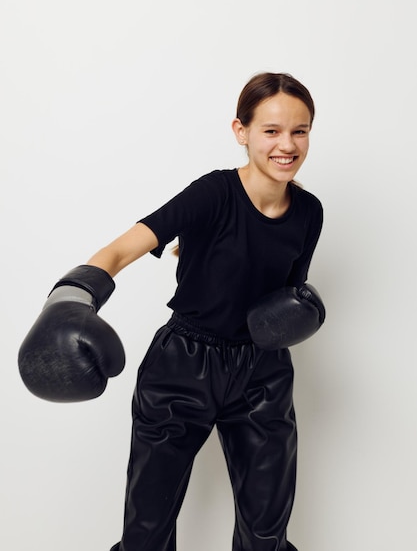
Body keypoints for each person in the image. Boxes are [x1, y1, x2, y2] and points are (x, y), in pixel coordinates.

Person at [18, 72, 324, 551]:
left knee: (267, 533)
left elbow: (286, 294)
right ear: (241, 132)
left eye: (299, 131)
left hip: (261, 373)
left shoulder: (309, 211)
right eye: (271, 130)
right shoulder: (213, 194)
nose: (287, 144)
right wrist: (69, 300)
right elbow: (119, 251)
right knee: (147, 534)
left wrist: (293, 316)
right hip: (183, 367)